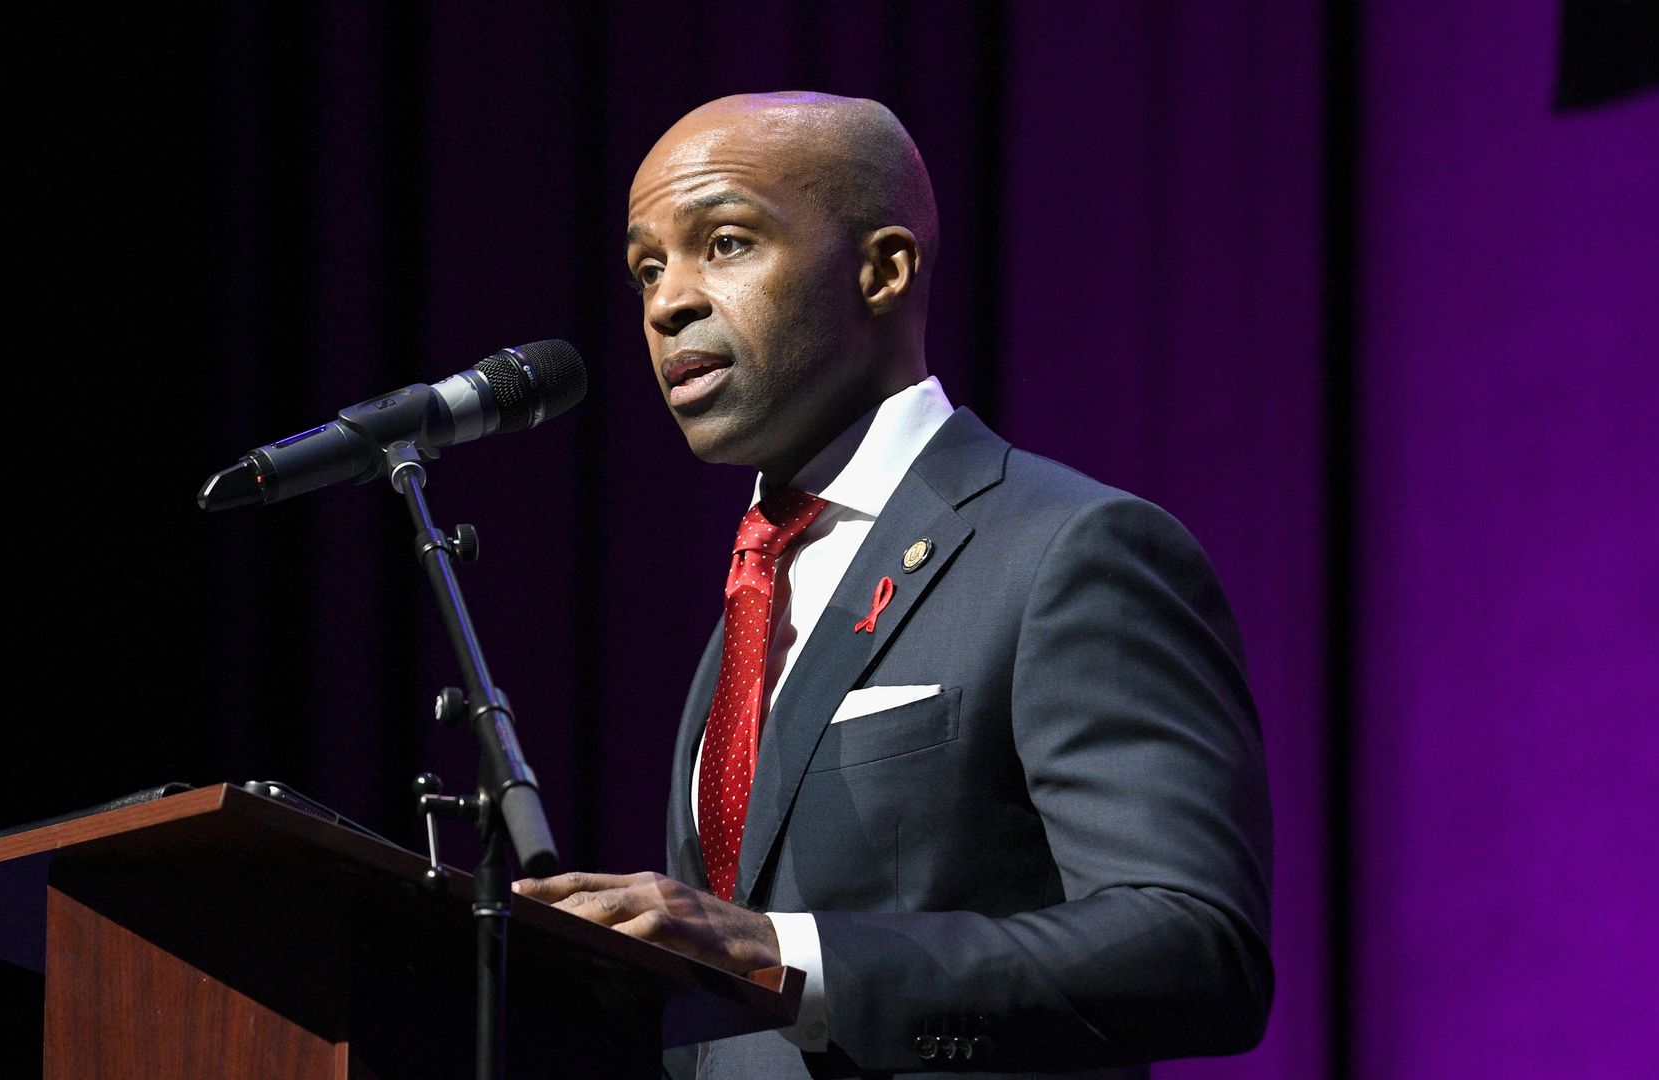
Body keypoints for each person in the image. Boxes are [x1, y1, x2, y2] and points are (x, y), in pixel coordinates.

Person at [514, 92, 1273, 1079]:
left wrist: (781, 953)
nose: (669, 302)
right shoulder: (754, 594)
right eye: (647, 268)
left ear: (883, 268)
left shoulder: (1068, 551)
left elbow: (1193, 947)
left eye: (728, 243)